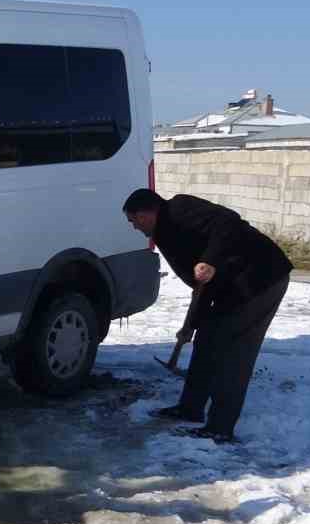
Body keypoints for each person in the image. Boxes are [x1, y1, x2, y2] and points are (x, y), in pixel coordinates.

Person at [123, 188, 293, 443]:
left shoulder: (179, 209)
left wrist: (210, 260)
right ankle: (190, 408)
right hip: (230, 286)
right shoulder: (165, 234)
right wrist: (192, 325)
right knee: (208, 338)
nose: (134, 227)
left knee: (235, 351)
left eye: (132, 220)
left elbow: (229, 223)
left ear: (145, 214)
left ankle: (220, 427)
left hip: (262, 278)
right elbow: (201, 284)